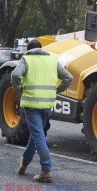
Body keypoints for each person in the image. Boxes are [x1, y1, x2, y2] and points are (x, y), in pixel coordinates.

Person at [12, 39, 73, 183]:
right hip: (47, 104)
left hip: (31, 104)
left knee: (38, 135)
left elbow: (15, 75)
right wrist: (56, 91)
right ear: (41, 48)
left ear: (28, 49)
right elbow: (68, 78)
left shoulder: (26, 59)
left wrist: (19, 89)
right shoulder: (52, 60)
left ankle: (46, 169)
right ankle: (25, 162)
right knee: (36, 134)